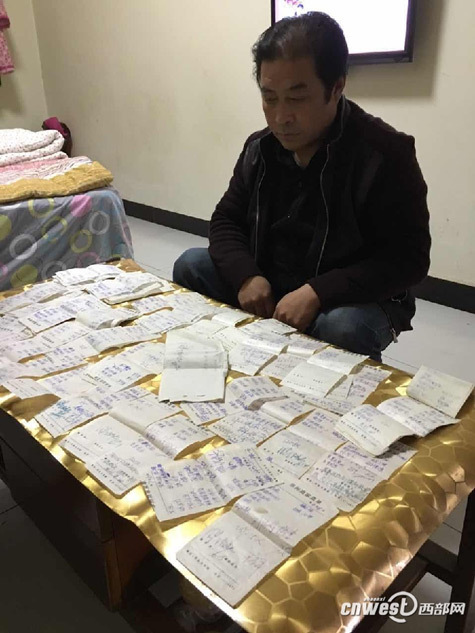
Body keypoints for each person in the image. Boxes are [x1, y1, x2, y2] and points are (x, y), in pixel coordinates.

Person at [173, 12, 431, 361]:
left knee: (342, 327)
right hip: (273, 279)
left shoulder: (385, 155)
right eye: (270, 98)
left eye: (296, 98)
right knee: (190, 264)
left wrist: (317, 292)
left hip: (347, 297)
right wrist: (247, 277)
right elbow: (226, 219)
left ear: (336, 87)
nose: (281, 117)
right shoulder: (260, 148)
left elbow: (407, 259)